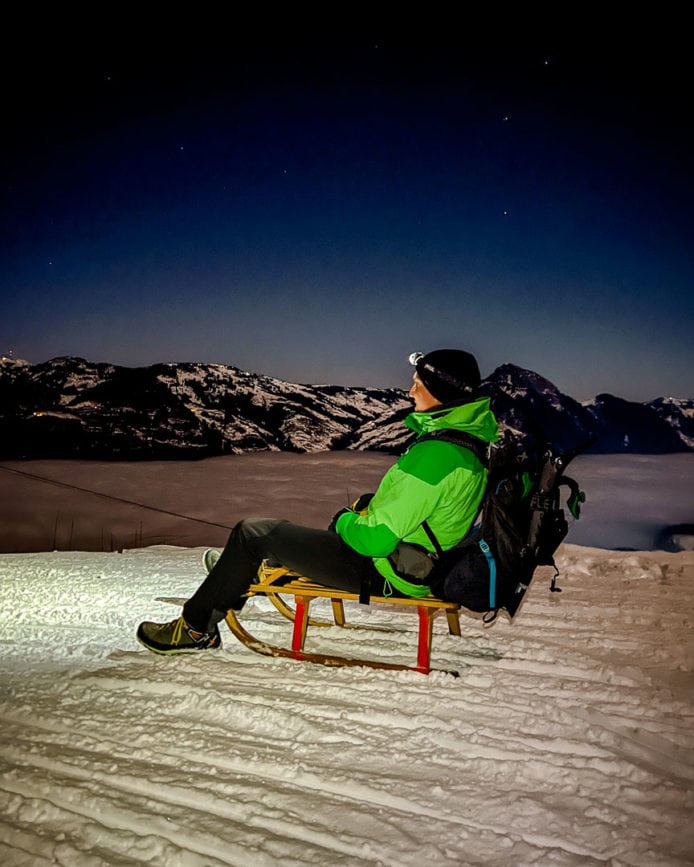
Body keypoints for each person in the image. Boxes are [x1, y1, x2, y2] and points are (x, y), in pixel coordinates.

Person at [136, 349, 499, 654]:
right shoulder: (466, 446)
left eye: (418, 384)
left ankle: (196, 628)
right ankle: (237, 571)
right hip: (417, 562)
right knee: (281, 536)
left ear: (440, 393)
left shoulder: (436, 455)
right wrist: (373, 504)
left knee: (253, 532)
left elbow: (375, 540)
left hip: (387, 569)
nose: (409, 391)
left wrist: (345, 520)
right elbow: (430, 505)